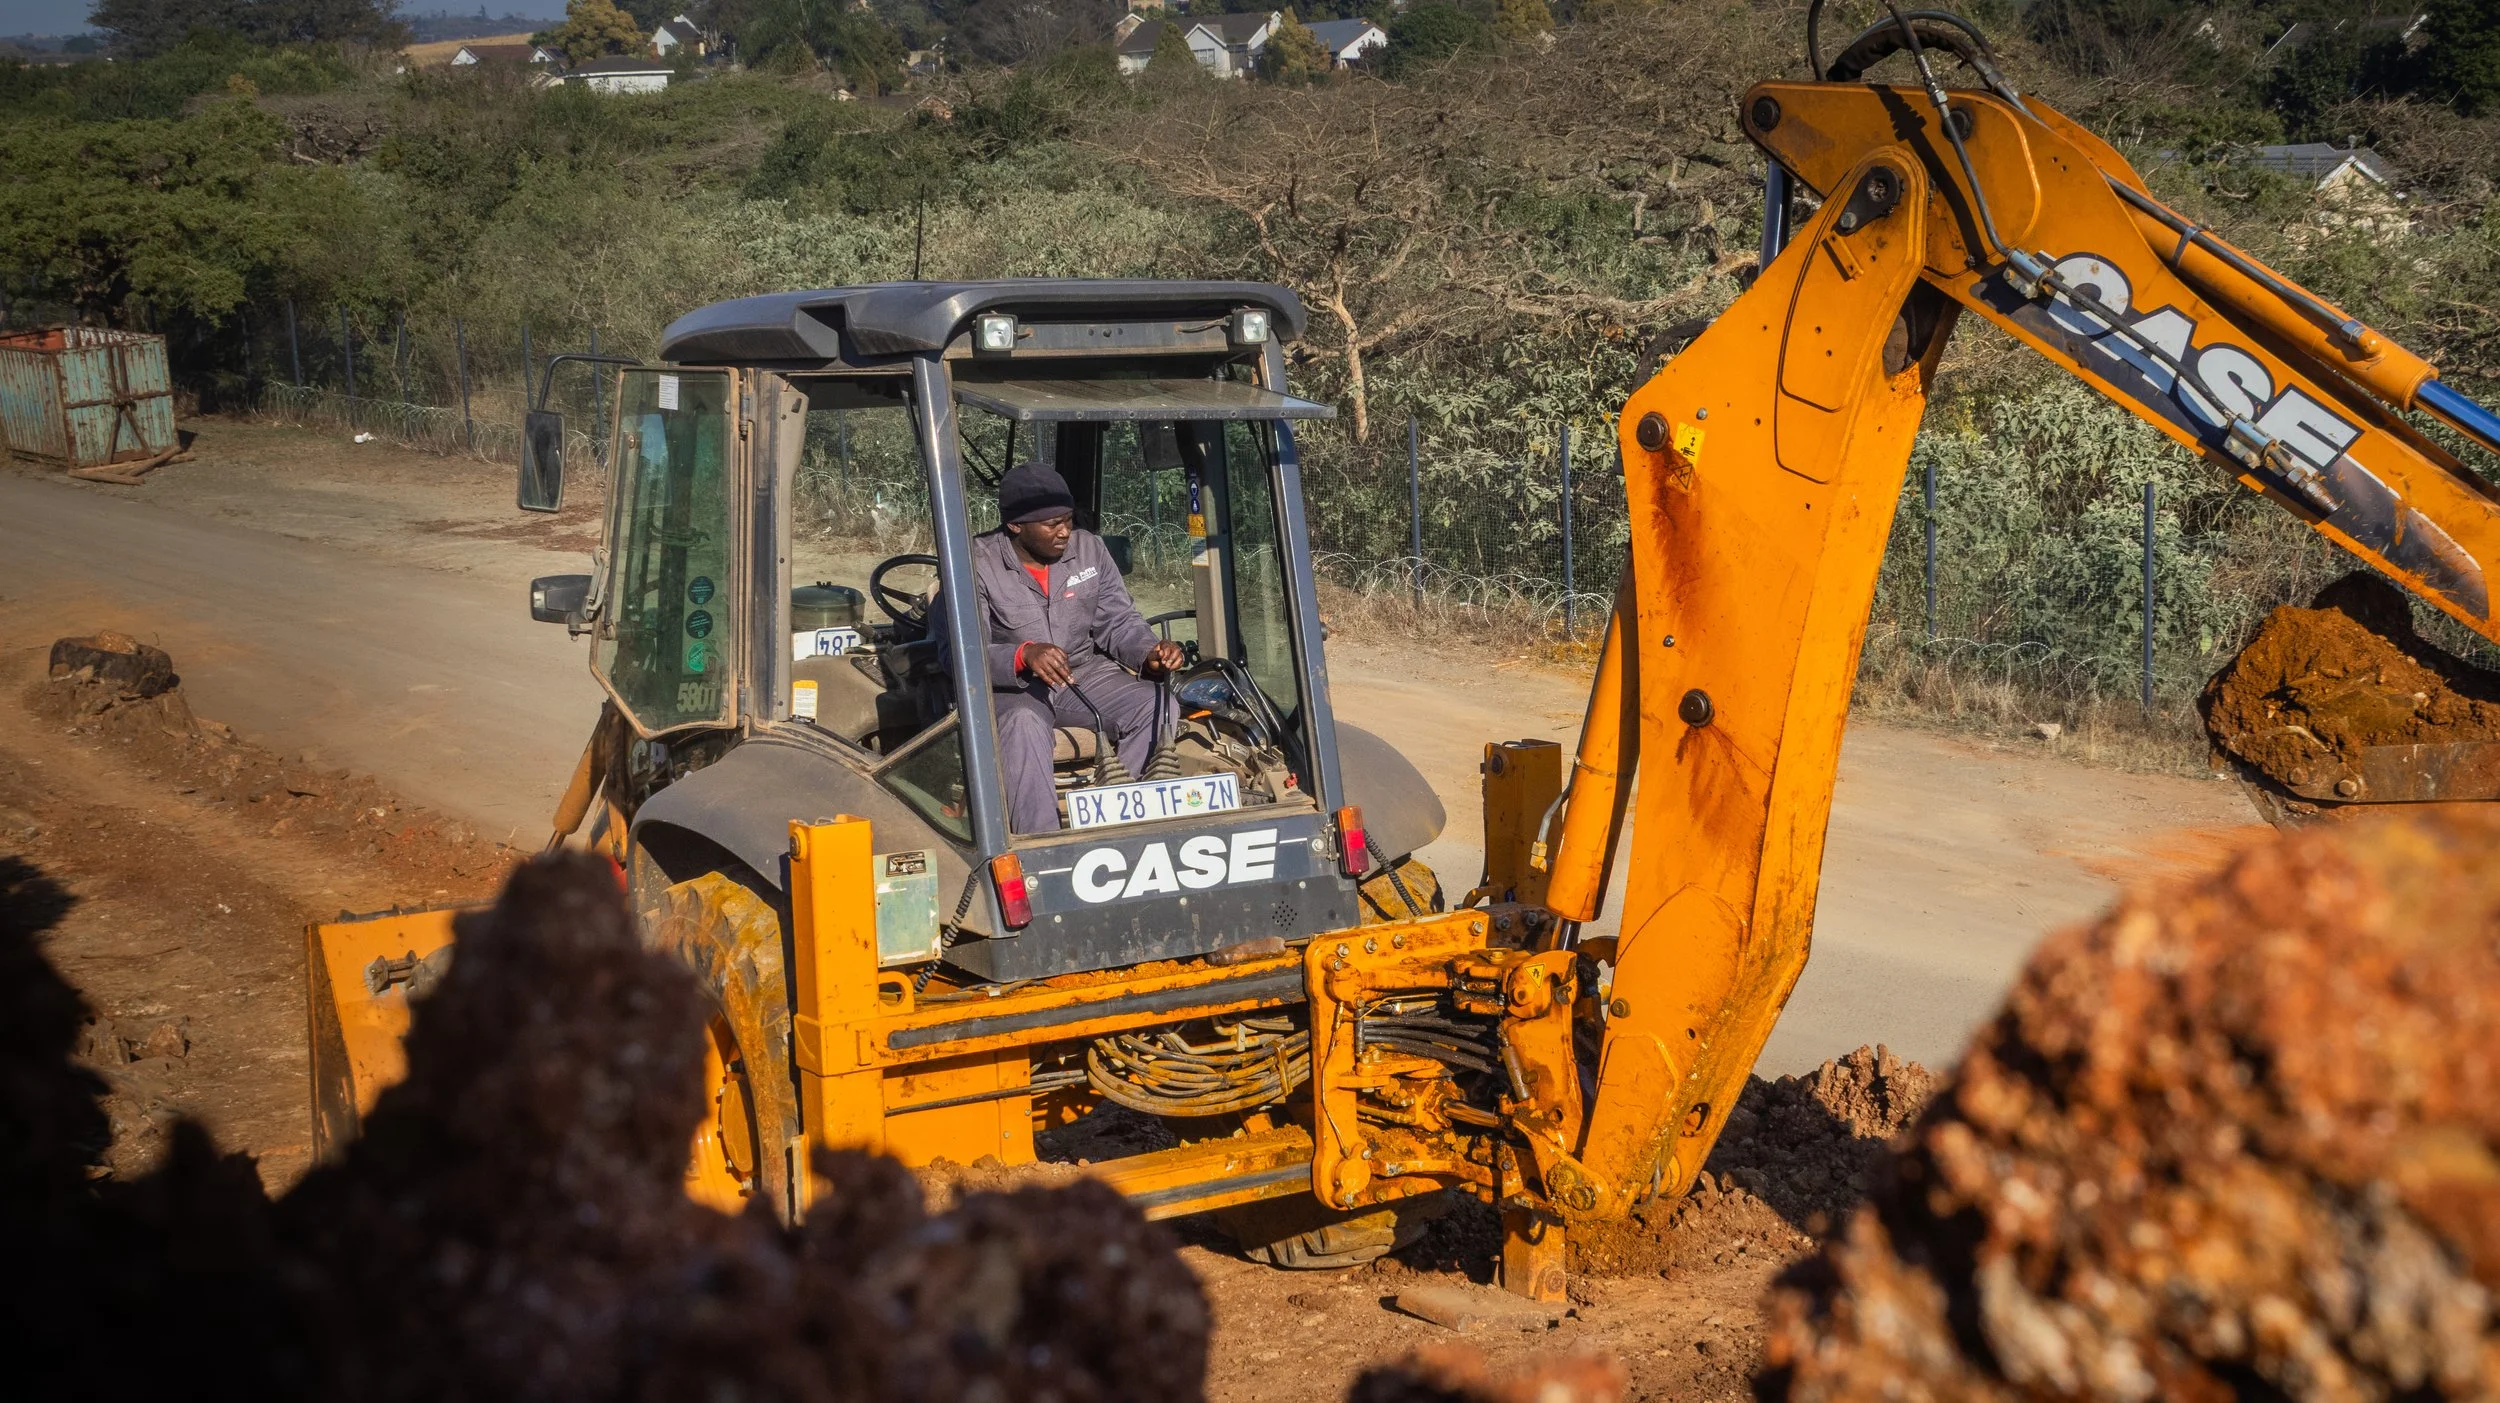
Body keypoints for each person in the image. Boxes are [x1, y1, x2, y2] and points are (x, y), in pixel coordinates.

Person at [943, 461, 1184, 833]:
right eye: (1051, 524)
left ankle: (1117, 819)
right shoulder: (974, 564)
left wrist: (1150, 653)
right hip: (1012, 689)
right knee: (1023, 724)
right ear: (1015, 525)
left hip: (1082, 674)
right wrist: (1022, 655)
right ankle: (1042, 842)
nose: (1065, 532)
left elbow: (1118, 621)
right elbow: (958, 652)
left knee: (1158, 704)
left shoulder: (1090, 550)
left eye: (1068, 519)